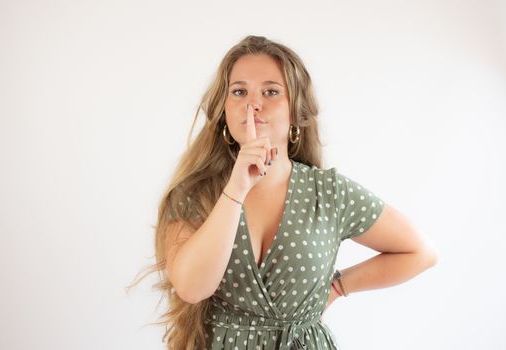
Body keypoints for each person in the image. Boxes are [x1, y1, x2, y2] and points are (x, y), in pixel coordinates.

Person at [126, 35, 438, 350]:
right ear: (224, 111)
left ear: (295, 111)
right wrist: (236, 187)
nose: (253, 103)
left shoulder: (328, 194)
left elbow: (420, 252)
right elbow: (192, 288)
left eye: (271, 91)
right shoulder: (193, 195)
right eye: (239, 91)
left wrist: (339, 286)